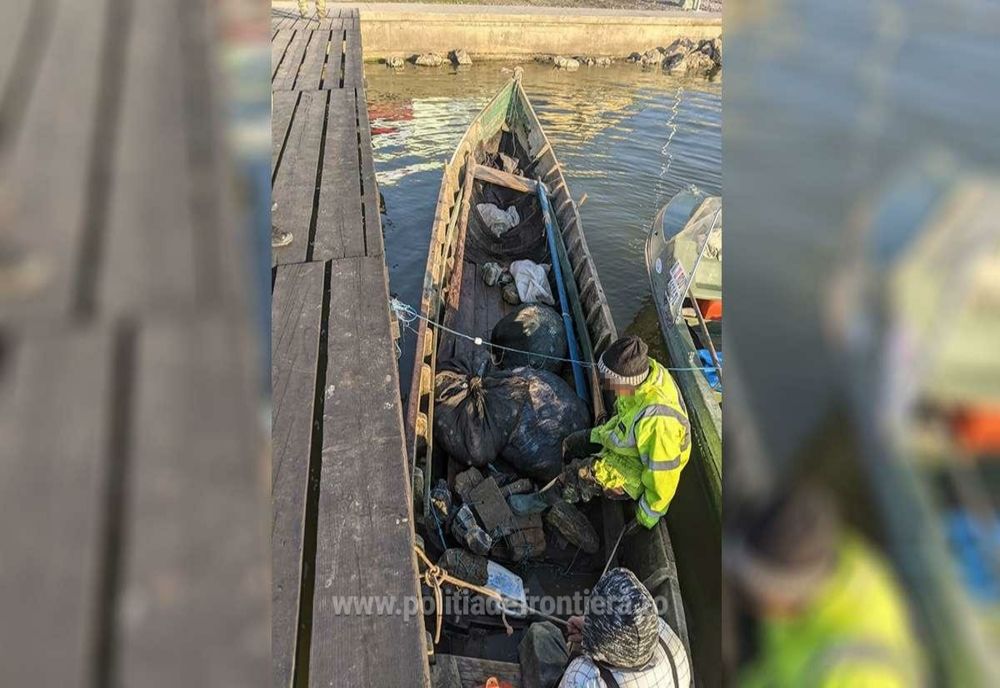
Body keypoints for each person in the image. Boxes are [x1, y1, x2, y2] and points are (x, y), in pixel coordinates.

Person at [727, 485, 923, 687]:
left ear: (784, 593)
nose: (746, 597)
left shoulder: (858, 676)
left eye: (751, 592)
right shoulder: (826, 562)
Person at [561, 335, 691, 529]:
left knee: (579, 475)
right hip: (630, 444)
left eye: (611, 381)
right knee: (573, 443)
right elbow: (625, 415)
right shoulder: (644, 373)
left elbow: (663, 478)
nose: (606, 385)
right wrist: (596, 436)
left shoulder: (659, 421)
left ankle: (564, 502)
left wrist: (645, 517)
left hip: (637, 469)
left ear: (626, 383)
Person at [521, 568, 691, 687]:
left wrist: (590, 643)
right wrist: (592, 632)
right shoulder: (667, 637)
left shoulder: (584, 677)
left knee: (541, 635)